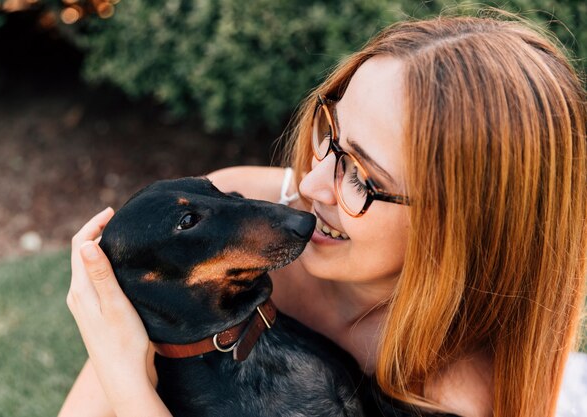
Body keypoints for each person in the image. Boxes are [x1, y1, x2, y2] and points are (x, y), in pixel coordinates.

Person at [60, 12, 587, 417]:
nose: (309, 187)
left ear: (469, 228)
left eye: (364, 178)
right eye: (329, 136)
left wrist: (127, 380)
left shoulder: (456, 396)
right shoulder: (241, 218)